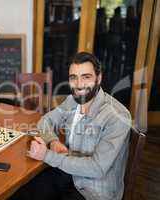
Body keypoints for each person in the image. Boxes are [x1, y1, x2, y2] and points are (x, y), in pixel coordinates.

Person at [10, 52, 131, 200]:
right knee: (18, 194)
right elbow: (45, 121)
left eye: (86, 77)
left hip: (93, 192)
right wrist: (52, 141)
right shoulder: (72, 101)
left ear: (98, 79)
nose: (79, 85)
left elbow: (97, 168)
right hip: (68, 174)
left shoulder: (117, 116)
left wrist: (47, 155)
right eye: (74, 78)